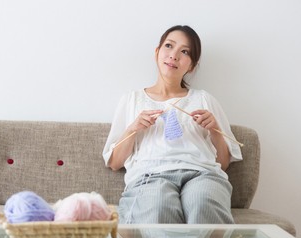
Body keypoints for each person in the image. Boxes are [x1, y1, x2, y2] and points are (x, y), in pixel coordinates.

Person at [102, 25, 242, 225]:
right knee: (157, 205)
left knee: (202, 202)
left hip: (202, 174)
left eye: (184, 52)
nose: (174, 55)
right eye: (169, 46)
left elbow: (224, 164)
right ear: (157, 52)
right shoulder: (132, 99)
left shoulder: (204, 99)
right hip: (150, 176)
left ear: (192, 65)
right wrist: (133, 128)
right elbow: (115, 162)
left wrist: (215, 131)